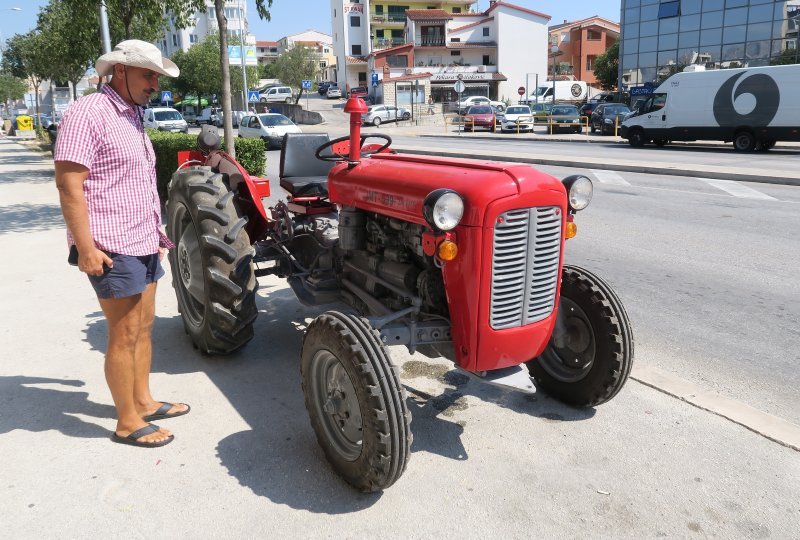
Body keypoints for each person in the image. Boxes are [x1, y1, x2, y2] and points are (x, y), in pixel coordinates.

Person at [54, 40, 189, 448]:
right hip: (111, 244)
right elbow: (69, 184)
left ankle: (143, 401)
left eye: (157, 76)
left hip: (143, 237)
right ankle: (127, 421)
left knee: (144, 326)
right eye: (148, 74)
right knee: (124, 331)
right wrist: (86, 248)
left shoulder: (131, 115)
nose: (155, 83)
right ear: (120, 71)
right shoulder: (88, 112)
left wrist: (155, 236)